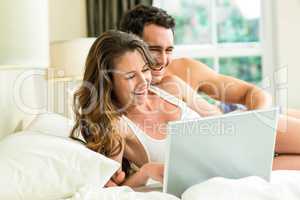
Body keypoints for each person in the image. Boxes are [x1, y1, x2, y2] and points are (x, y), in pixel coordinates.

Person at [71, 30, 300, 188]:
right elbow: (111, 188)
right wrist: (145, 173)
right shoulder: (116, 125)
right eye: (130, 76)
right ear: (108, 82)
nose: (144, 81)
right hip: (224, 170)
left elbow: (222, 119)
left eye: (145, 70)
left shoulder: (170, 86)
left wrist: (248, 135)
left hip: (241, 139)